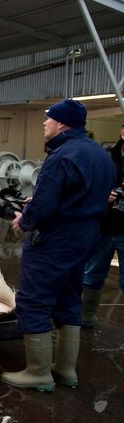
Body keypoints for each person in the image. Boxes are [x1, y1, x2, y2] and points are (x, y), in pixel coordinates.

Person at [1, 99, 115, 392]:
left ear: (62, 123)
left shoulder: (61, 156)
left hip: (57, 237)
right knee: (68, 296)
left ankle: (38, 372)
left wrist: (24, 220)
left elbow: (45, 206)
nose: (44, 123)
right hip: (87, 233)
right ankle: (66, 369)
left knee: (34, 299)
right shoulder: (100, 154)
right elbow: (88, 195)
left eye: (48, 119)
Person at [81, 124, 124, 327]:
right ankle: (86, 317)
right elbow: (87, 185)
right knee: (93, 273)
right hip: (105, 226)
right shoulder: (105, 156)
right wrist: (103, 194)